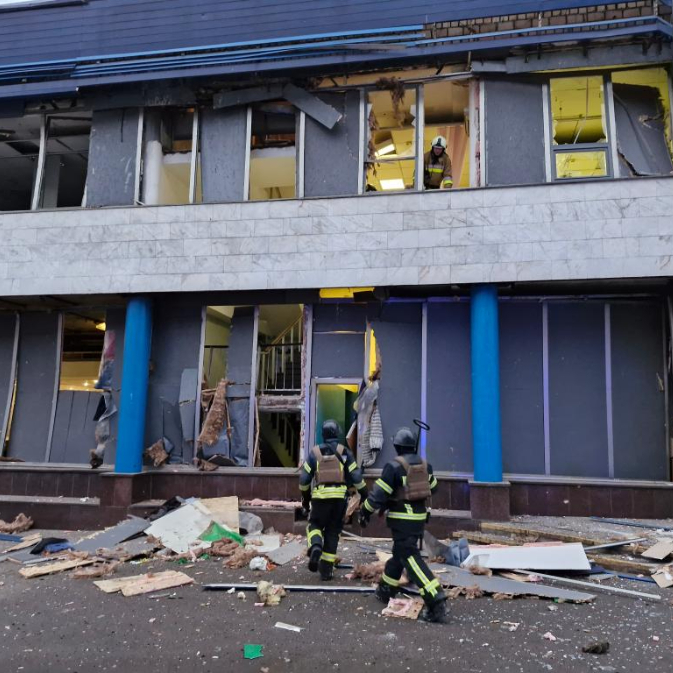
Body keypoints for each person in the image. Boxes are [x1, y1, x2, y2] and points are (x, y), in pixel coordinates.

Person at [358, 426, 447, 623]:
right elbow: (433, 487)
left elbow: (378, 495)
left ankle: (435, 598)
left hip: (401, 519)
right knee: (400, 553)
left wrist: (364, 511)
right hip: (418, 518)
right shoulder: (426, 466)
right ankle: (386, 589)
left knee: (410, 558)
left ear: (397, 446)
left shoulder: (393, 467)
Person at [299, 419, 368, 581]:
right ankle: (326, 571)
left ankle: (316, 545)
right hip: (339, 499)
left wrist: (305, 500)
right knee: (332, 531)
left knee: (314, 525)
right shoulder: (344, 452)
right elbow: (356, 477)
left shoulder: (314, 453)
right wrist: (364, 494)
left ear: (323, 435)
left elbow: (304, 481)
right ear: (337, 433)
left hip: (320, 497)